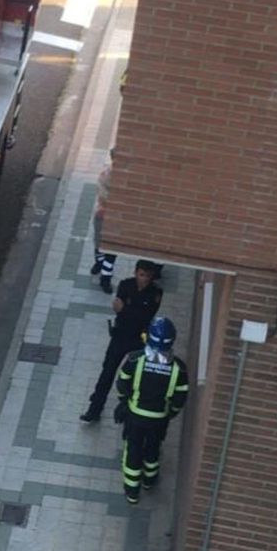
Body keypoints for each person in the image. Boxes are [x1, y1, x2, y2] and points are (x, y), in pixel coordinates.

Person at [114, 315, 189, 503]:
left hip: (136, 415)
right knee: (153, 448)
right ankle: (149, 480)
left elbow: (122, 383)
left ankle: (132, 491)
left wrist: (124, 402)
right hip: (159, 418)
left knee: (133, 449)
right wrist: (171, 413)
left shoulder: (135, 359)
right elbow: (180, 397)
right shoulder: (179, 368)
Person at [80, 259, 164, 424]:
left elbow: (145, 317)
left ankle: (128, 413)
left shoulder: (156, 293)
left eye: (148, 276)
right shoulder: (125, 285)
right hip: (120, 336)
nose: (144, 279)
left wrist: (126, 310)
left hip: (138, 339)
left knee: (134, 378)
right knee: (107, 373)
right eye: (141, 275)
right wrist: (130, 313)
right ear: (135, 273)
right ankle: (94, 408)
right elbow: (119, 309)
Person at [90, 148, 116, 292]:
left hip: (115, 217)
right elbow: (103, 194)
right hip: (103, 214)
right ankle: (99, 263)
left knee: (112, 248)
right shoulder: (106, 175)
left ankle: (106, 277)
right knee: (99, 243)